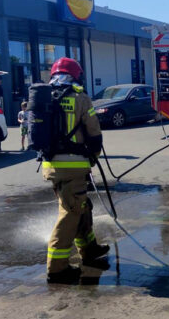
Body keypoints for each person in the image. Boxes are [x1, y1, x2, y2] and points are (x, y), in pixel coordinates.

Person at [42, 57, 109, 284]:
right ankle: (57, 268)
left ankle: (89, 249)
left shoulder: (44, 97)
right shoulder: (80, 97)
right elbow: (94, 131)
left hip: (52, 165)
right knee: (70, 213)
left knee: (82, 207)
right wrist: (93, 155)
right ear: (76, 75)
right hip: (73, 165)